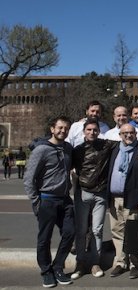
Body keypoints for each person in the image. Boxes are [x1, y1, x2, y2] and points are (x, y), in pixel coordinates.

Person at [23, 116, 75, 287]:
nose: (63, 131)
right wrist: (36, 203)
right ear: (52, 129)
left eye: (66, 128)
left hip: (65, 200)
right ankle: (46, 272)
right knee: (44, 238)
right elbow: (29, 179)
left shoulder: (68, 148)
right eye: (60, 128)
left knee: (70, 232)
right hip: (47, 200)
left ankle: (58, 267)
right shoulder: (41, 150)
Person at [71, 119, 119, 280]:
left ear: (99, 131)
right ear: (84, 131)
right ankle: (80, 262)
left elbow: (127, 140)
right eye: (89, 130)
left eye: (95, 130)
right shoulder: (77, 150)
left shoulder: (107, 145)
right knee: (81, 231)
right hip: (83, 193)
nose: (92, 132)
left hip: (100, 195)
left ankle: (95, 263)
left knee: (97, 230)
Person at [106, 123, 138, 279]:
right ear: (120, 135)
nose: (128, 135)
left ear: (136, 134)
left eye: (131, 133)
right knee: (117, 232)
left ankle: (135, 264)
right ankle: (120, 262)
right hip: (115, 199)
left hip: (133, 199)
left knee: (133, 233)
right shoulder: (113, 149)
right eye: (125, 133)